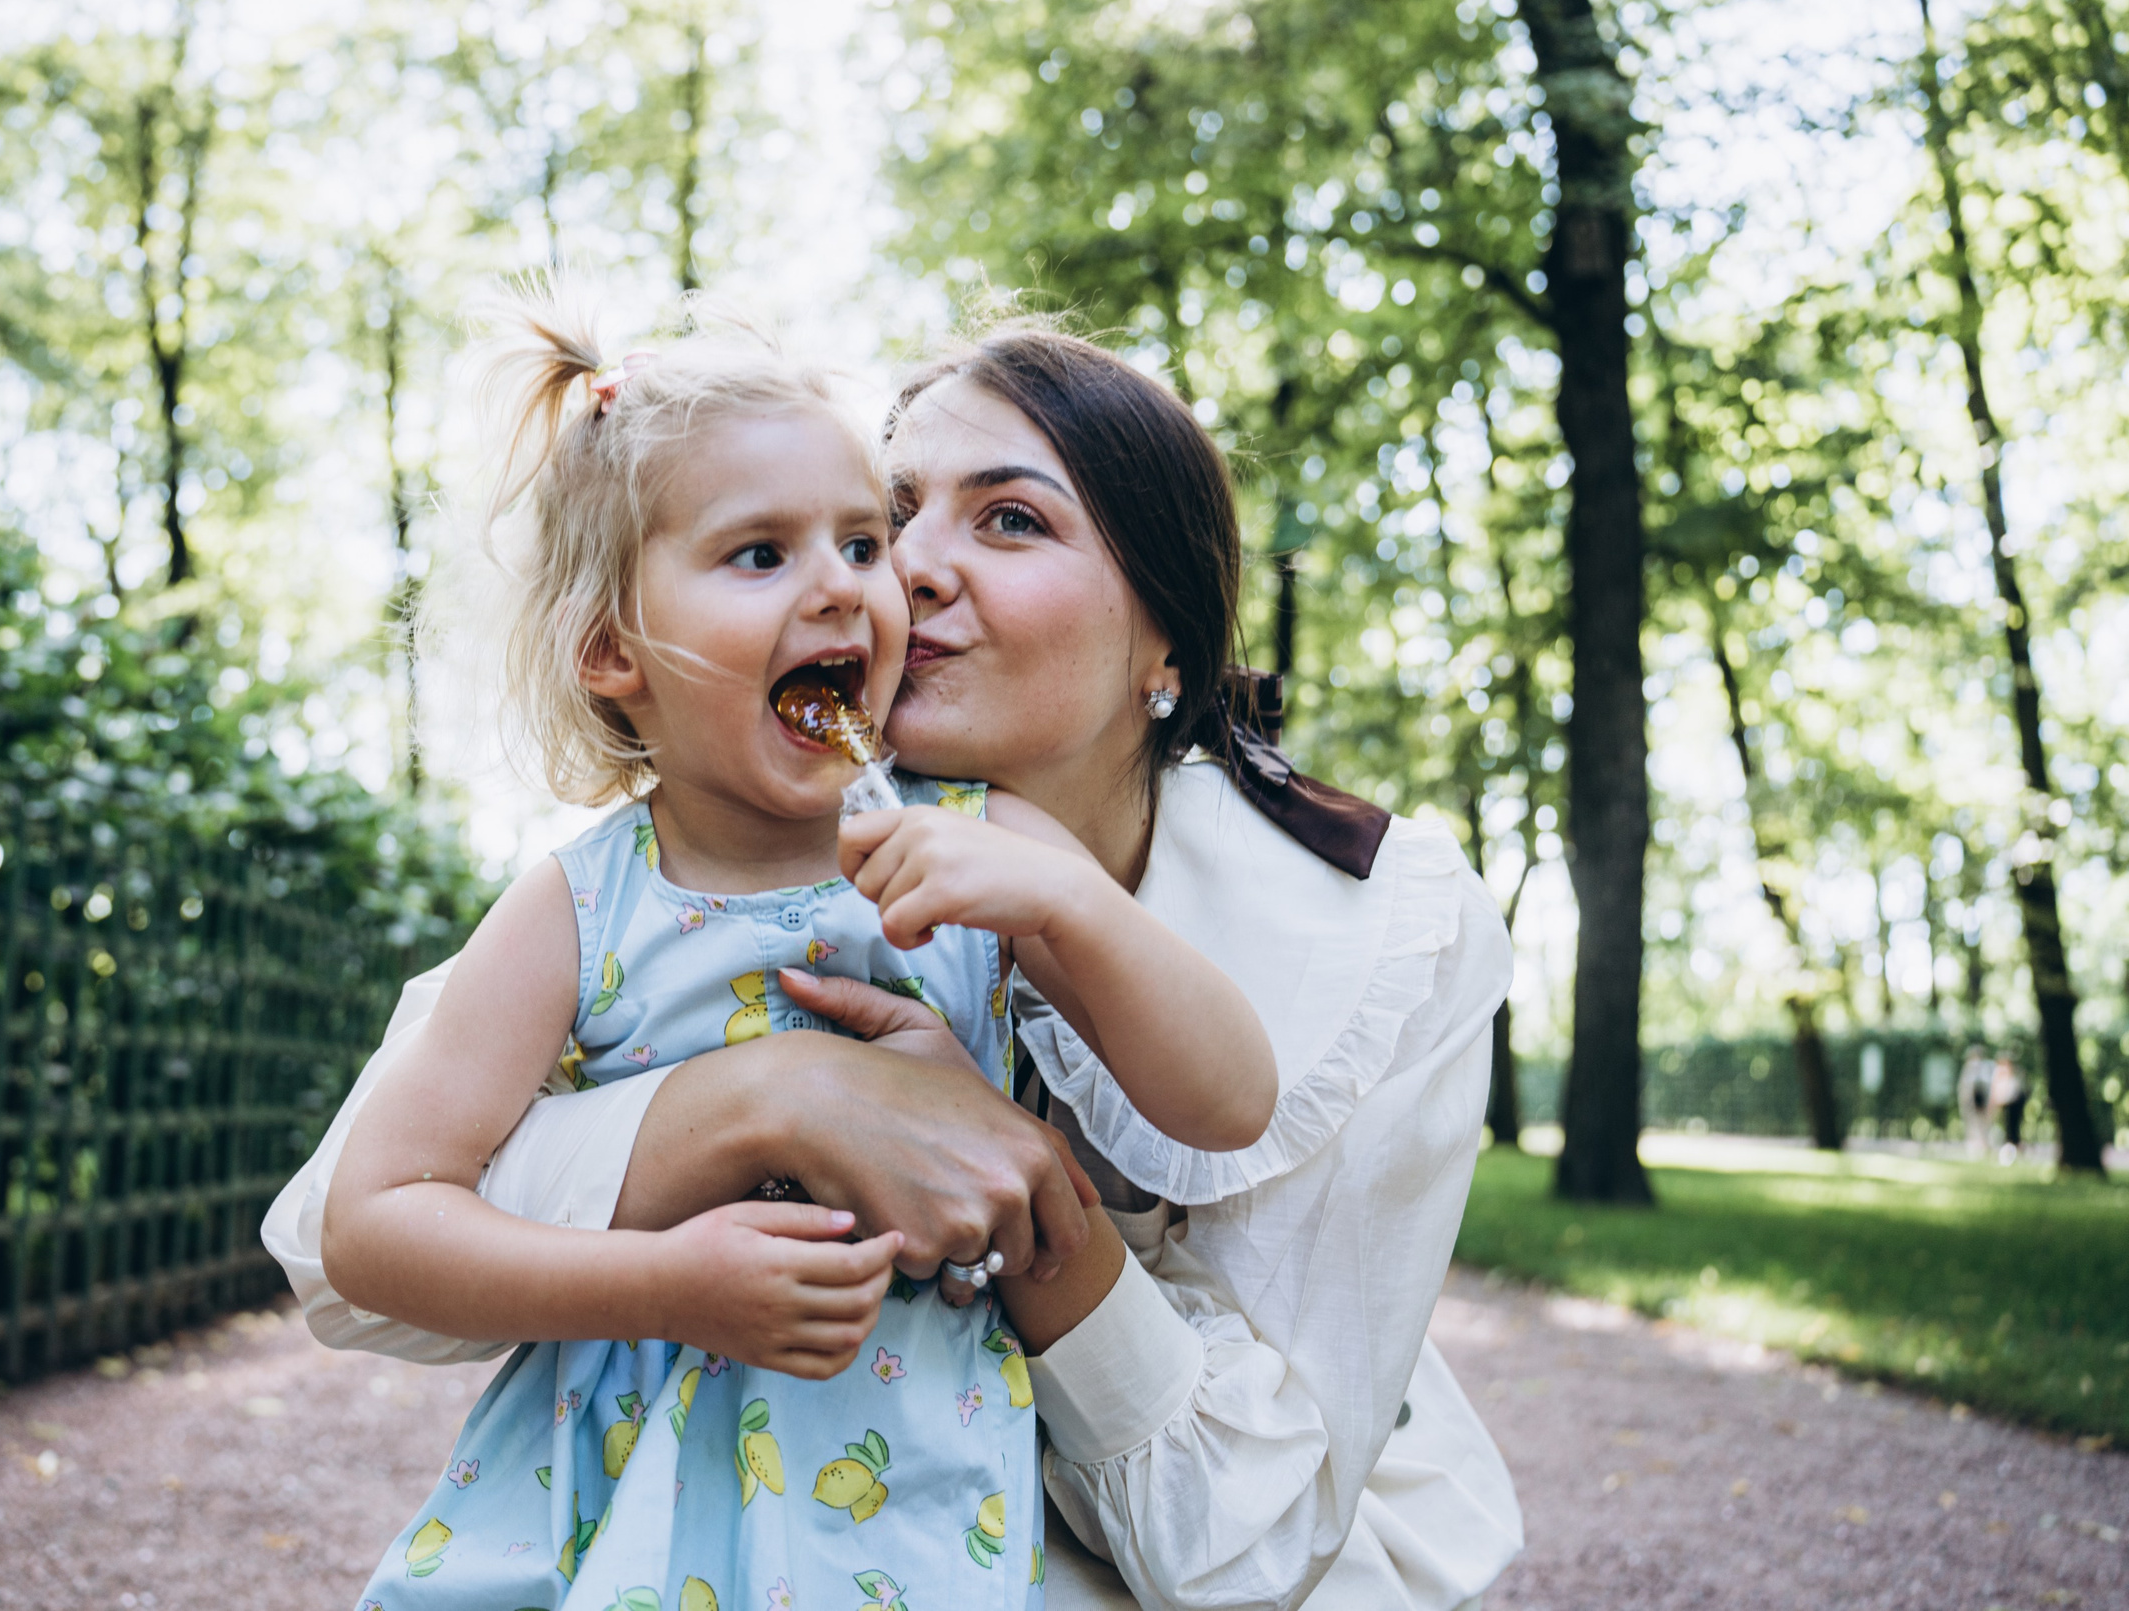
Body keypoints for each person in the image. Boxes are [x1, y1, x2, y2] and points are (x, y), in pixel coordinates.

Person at [272, 323, 1523, 1610]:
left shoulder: (1170, 884)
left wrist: (1069, 920)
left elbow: (1229, 1109)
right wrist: (763, 1121)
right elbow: (347, 1234)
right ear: (614, 650)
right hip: (640, 1503)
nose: (902, 571)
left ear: (1168, 641)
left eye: (1006, 521)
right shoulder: (592, 900)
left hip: (947, 1522)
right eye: (894, 516)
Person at [1955, 1045, 1995, 1156]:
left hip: (1981, 1101)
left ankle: (1983, 1145)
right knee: (1974, 1124)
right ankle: (1976, 1145)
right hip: (1972, 1102)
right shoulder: (1970, 1068)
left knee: (1982, 1124)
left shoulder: (1985, 1067)